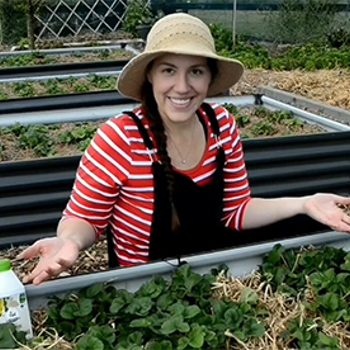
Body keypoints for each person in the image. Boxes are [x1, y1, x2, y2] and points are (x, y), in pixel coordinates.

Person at [18, 13, 350, 286]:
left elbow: (235, 211)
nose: (182, 87)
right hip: (146, 284)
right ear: (150, 75)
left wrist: (305, 202)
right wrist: (70, 242)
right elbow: (85, 219)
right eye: (168, 70)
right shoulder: (120, 138)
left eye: (196, 71)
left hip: (213, 272)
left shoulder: (221, 125)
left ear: (209, 78)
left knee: (307, 223)